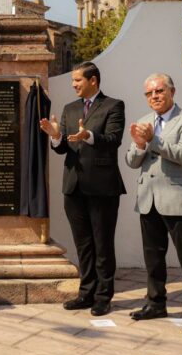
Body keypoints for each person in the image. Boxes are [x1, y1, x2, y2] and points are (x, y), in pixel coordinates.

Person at [125, 73, 182, 336]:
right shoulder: (144, 121)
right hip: (147, 199)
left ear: (172, 91)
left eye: (159, 91)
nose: (154, 97)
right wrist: (139, 146)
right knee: (153, 259)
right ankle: (155, 303)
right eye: (149, 93)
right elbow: (131, 160)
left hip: (177, 201)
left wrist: (154, 141)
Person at [40, 61, 126, 316]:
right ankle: (86, 293)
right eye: (73, 81)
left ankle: (103, 296)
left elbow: (113, 141)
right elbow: (63, 147)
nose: (74, 84)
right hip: (74, 186)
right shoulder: (69, 108)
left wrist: (87, 135)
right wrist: (55, 136)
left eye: (78, 80)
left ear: (93, 80)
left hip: (103, 188)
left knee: (103, 244)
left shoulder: (114, 106)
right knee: (83, 244)